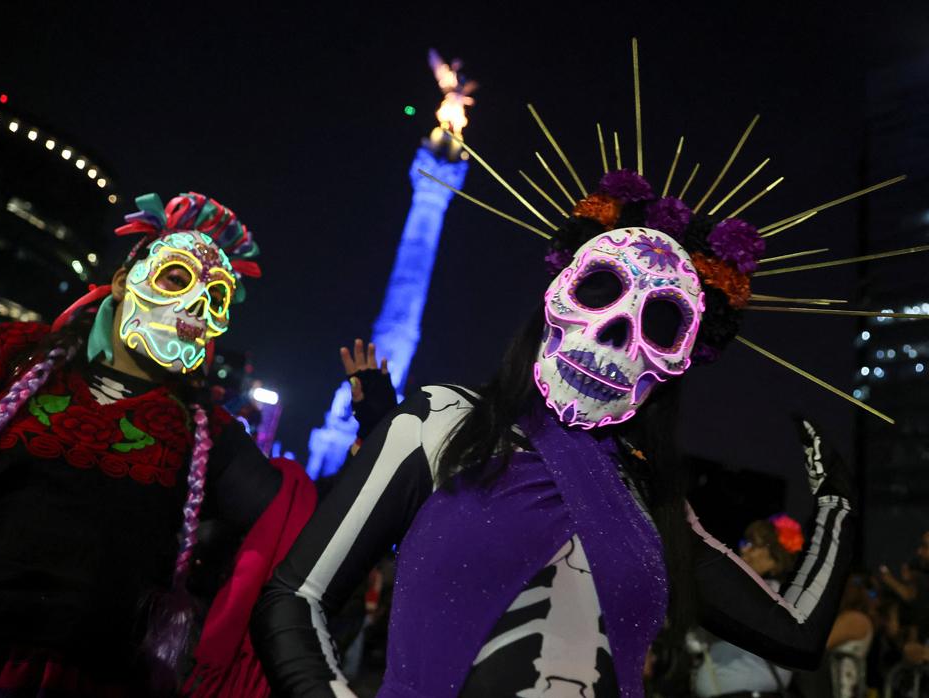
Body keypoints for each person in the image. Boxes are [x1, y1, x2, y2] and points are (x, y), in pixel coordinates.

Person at [250, 153, 858, 695]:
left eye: (661, 322)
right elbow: (297, 597)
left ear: (679, 360)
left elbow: (795, 635)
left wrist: (835, 503)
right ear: (557, 293)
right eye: (601, 291)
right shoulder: (439, 424)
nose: (618, 335)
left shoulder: (658, 506)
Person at [0, 192, 302, 697]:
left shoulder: (208, 433)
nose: (193, 307)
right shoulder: (10, 357)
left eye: (215, 298)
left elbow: (296, 522)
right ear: (123, 281)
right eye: (177, 278)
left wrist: (378, 441)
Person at [693, 514, 805, 697]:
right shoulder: (757, 594)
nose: (744, 551)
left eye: (752, 545)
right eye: (744, 542)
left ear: (774, 556)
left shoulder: (774, 598)